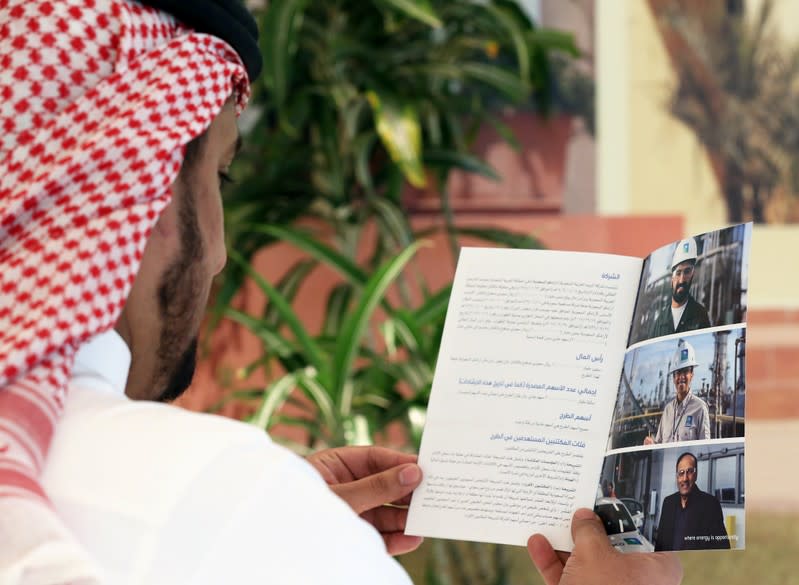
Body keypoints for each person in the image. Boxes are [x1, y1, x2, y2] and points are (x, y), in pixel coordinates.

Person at [0, 1, 683, 583]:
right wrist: (272, 518)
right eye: (220, 179)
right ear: (131, 190)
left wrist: (289, 516)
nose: (220, 255)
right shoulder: (223, 501)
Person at [654, 452, 730, 551]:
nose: (685, 478)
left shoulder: (711, 505)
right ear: (677, 477)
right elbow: (660, 545)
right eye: (681, 473)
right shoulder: (668, 503)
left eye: (689, 471)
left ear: (696, 474)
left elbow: (723, 548)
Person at [644, 339, 710, 445]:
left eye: (686, 371)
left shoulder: (700, 408)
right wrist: (652, 444)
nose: (681, 377)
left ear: (692, 374)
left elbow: (705, 447)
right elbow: (659, 443)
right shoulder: (667, 410)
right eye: (678, 372)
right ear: (673, 377)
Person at [649, 238, 711, 339]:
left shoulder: (700, 315)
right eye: (678, 273)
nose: (682, 280)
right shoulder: (659, 322)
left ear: (692, 275)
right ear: (671, 279)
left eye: (687, 272)